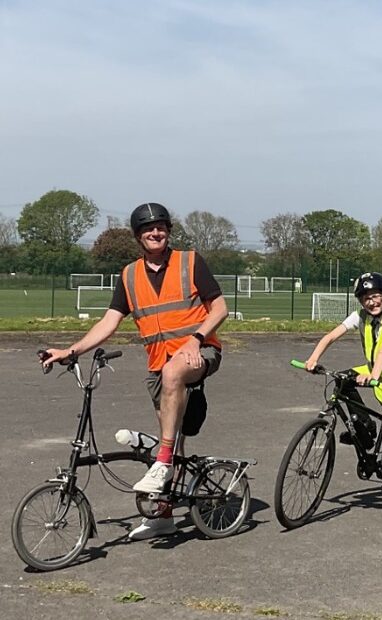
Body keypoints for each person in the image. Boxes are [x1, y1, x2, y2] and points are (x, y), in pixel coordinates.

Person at [41, 203, 227, 539]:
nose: (155, 233)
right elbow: (109, 322)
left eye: (161, 227)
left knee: (172, 384)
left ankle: (161, 460)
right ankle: (163, 515)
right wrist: (70, 351)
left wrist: (196, 340)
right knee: (173, 435)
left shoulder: (190, 262)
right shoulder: (129, 276)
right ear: (138, 236)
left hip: (199, 352)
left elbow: (220, 308)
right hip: (158, 363)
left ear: (168, 231)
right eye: (148, 229)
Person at [304, 272, 382, 516]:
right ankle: (365, 428)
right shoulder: (360, 316)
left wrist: (373, 375)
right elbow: (331, 336)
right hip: (377, 371)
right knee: (343, 380)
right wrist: (313, 358)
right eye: (366, 298)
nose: (371, 302)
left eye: (376, 296)